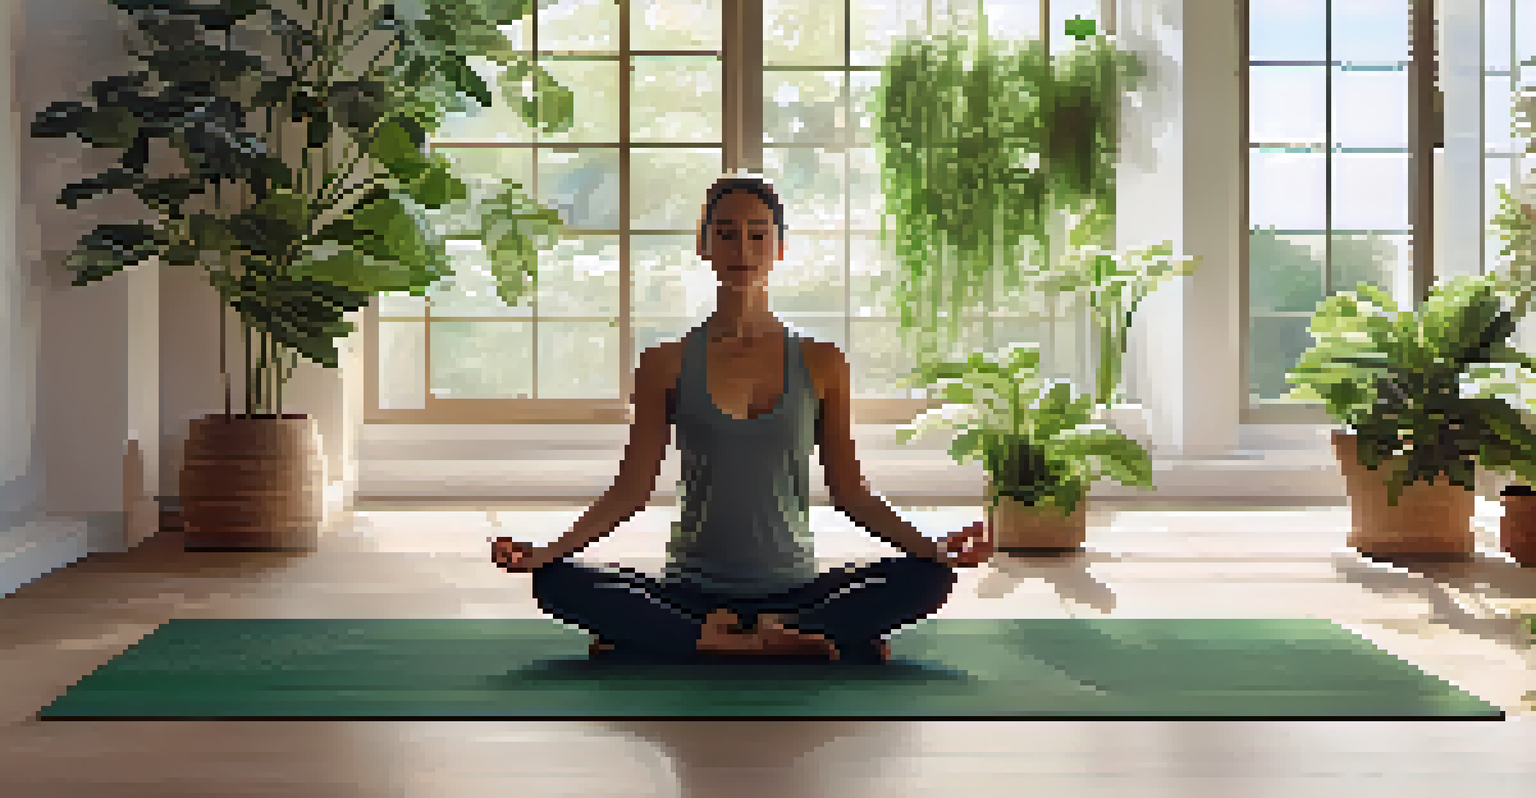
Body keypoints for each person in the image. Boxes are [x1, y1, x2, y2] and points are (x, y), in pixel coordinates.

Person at [491, 173, 993, 665]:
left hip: (795, 591)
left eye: (758, 235)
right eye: (726, 233)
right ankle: (799, 640)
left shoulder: (822, 363)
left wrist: (934, 546)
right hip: (691, 593)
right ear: (703, 244)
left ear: (780, 248)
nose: (743, 250)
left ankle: (692, 641)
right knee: (555, 582)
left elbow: (851, 492)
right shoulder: (664, 363)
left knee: (929, 578)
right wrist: (547, 551)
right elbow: (630, 491)